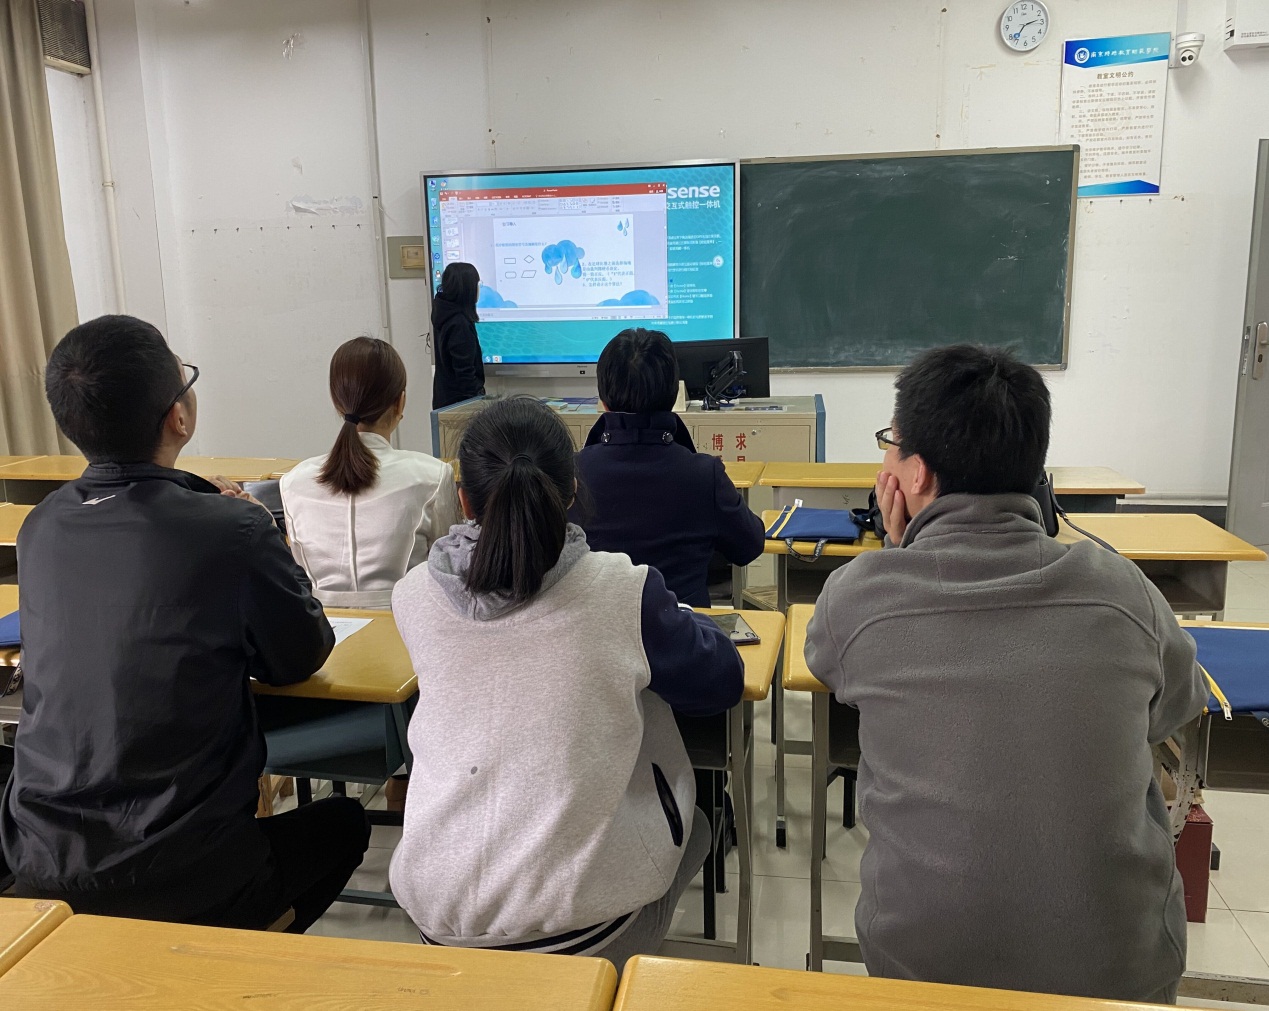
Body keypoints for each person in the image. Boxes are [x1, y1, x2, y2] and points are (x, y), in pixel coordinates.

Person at [805, 345, 1208, 1003]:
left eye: (890, 444)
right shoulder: (1124, 592)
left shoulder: (857, 598)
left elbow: (831, 663)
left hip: (924, 971)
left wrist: (900, 553)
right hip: (1119, 977)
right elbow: (1173, 709)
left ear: (916, 474)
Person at [1, 315, 370, 931]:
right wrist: (263, 532)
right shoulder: (231, 529)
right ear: (178, 417)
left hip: (44, 864)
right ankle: (236, 950)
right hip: (183, 878)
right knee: (344, 824)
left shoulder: (41, 526)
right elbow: (299, 657)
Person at [389, 397, 743, 969]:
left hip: (438, 917)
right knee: (699, 824)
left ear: (463, 499)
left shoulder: (411, 596)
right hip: (582, 934)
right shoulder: (623, 590)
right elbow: (721, 682)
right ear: (572, 491)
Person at [570, 328, 765, 607]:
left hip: (597, 629)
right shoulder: (703, 474)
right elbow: (750, 546)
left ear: (603, 399)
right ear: (674, 395)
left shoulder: (571, 474)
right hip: (683, 628)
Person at [281, 336, 462, 609]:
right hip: (406, 623)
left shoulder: (293, 482)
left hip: (322, 628)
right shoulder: (433, 476)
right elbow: (448, 568)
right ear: (400, 403)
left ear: (337, 402)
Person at [431, 261, 485, 409]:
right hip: (460, 404)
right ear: (467, 288)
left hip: (445, 398)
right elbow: (465, 374)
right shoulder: (459, 323)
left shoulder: (443, 312)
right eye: (477, 284)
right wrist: (477, 404)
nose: (478, 288)